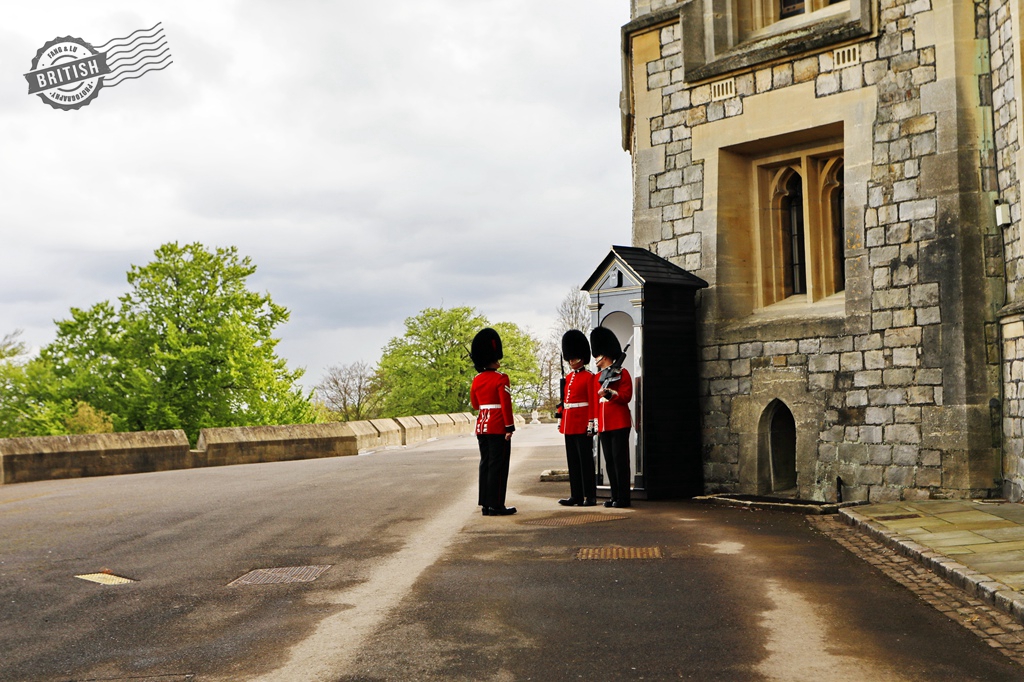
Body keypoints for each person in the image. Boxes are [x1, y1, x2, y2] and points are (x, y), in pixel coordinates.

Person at [470, 327, 517, 516]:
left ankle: (485, 504)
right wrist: (509, 427)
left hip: (482, 426)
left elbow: (475, 405)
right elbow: (505, 405)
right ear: (494, 359)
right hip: (498, 426)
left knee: (486, 464)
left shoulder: (477, 379)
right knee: (499, 466)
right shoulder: (501, 378)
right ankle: (497, 505)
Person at [591, 326, 633, 508]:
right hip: (605, 425)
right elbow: (595, 404)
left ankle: (624, 497)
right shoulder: (597, 377)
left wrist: (610, 394)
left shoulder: (622, 373)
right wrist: (597, 425)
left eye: (597, 355)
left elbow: (626, 397)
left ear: (605, 355)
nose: (595, 359)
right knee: (609, 462)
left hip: (619, 423)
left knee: (620, 461)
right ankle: (614, 496)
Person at [557, 329, 597, 507]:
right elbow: (565, 402)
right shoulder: (568, 378)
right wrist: (561, 419)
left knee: (585, 461)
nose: (571, 361)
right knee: (572, 462)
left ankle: (590, 496)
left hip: (582, 423)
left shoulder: (589, 377)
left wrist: (591, 423)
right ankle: (576, 496)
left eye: (574, 358)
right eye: (570, 359)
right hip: (569, 423)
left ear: (582, 357)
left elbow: (592, 402)